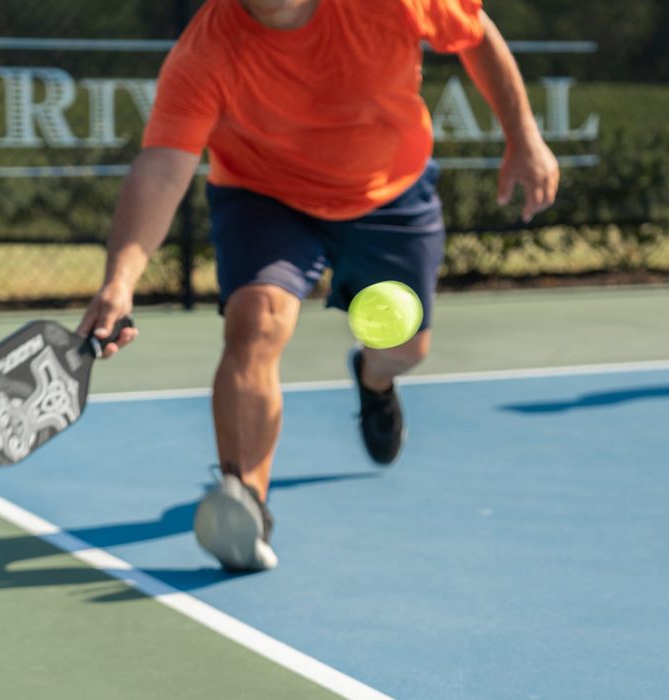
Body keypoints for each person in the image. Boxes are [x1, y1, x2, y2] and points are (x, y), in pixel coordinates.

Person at [78, 0, 560, 572]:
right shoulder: (206, 51)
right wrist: (120, 281)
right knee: (254, 322)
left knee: (407, 348)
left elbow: (474, 34)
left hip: (390, 193)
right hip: (265, 197)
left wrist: (523, 134)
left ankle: (374, 379)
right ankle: (246, 503)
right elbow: (162, 168)